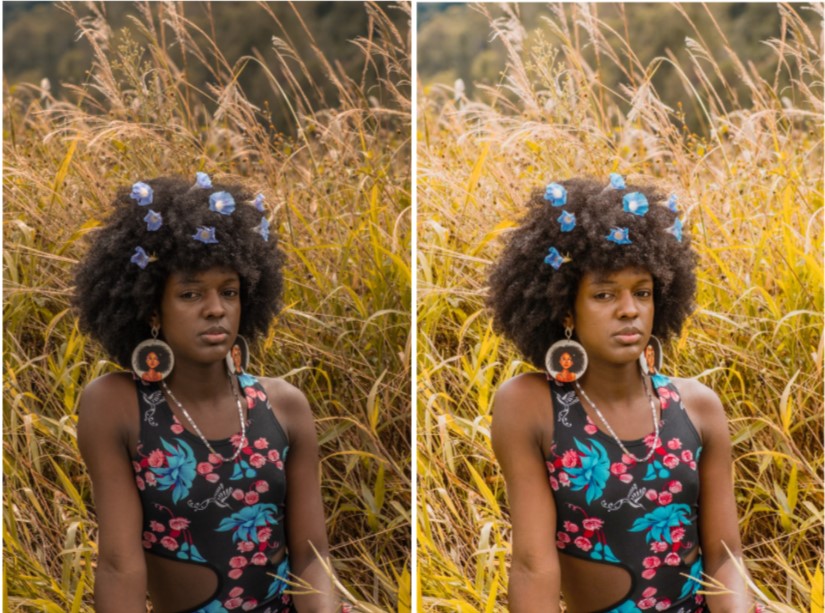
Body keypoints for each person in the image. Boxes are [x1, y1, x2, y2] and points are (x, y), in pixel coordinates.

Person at [487, 177, 756, 612]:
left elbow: (725, 558)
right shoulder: (530, 406)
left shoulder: (697, 406)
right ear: (566, 310)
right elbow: (532, 566)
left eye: (643, 292)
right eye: (604, 294)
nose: (629, 309)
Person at [74, 175, 338, 613]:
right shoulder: (117, 405)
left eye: (229, 292)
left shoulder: (283, 405)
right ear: (152, 309)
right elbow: (119, 566)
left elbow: (313, 557)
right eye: (191, 293)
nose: (215, 308)